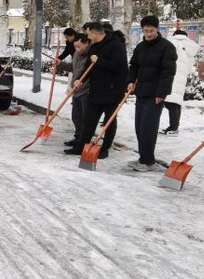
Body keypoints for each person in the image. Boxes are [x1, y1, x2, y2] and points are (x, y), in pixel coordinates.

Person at [66, 21, 128, 157]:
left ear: (95, 33)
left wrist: (99, 61)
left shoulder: (116, 45)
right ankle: (80, 147)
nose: (87, 36)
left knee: (109, 121)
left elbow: (119, 65)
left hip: (113, 89)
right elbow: (89, 64)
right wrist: (80, 79)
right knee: (89, 120)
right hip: (96, 88)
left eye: (88, 34)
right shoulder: (94, 46)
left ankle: (104, 149)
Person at [126, 15, 178, 172]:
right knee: (139, 126)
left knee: (148, 127)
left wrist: (162, 93)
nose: (148, 34)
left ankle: (148, 161)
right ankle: (143, 158)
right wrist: (130, 81)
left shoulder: (167, 47)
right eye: (145, 30)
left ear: (158, 29)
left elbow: (168, 72)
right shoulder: (141, 46)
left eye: (151, 30)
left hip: (155, 94)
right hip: (141, 92)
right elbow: (134, 65)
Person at [163, 28, 199, 135]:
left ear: (175, 35)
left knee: (171, 102)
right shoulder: (190, 47)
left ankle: (173, 128)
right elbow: (189, 66)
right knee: (176, 102)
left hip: (171, 75)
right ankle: (174, 126)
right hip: (182, 77)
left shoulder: (172, 42)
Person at [65, 33, 91, 147]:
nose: (77, 49)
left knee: (86, 118)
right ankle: (77, 137)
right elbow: (73, 67)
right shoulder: (76, 54)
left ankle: (84, 141)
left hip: (87, 90)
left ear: (87, 43)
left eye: (79, 46)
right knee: (76, 116)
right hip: (76, 90)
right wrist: (60, 64)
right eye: (75, 46)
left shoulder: (92, 56)